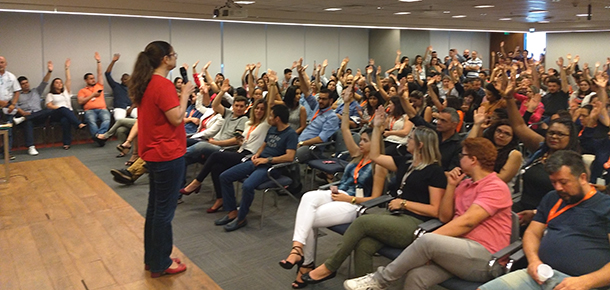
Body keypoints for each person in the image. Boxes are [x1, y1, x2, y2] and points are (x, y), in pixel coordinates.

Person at [343, 137, 513, 290]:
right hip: (458, 251)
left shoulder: (495, 186)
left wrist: (428, 244)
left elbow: (467, 222)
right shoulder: (465, 184)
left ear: (473, 160)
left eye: (463, 155)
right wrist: (452, 186)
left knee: (428, 240)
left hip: (486, 257)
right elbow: (445, 217)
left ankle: (380, 280)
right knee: (416, 277)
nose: (459, 158)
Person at [301, 106, 447, 283]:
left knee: (362, 222)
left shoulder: (435, 172)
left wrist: (403, 204)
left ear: (420, 145)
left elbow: (435, 210)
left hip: (415, 224)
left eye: (410, 138)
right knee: (363, 246)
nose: (406, 140)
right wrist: (377, 128)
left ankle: (330, 266)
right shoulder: (406, 163)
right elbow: (376, 156)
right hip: (394, 216)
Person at [279, 86, 388, 289]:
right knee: (309, 198)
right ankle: (299, 251)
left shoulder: (379, 165)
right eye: (361, 140)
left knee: (308, 219)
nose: (361, 143)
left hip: (354, 205)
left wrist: (351, 199)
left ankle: (304, 261)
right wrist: (346, 103)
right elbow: (345, 129)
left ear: (374, 143)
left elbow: (375, 199)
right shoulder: (356, 155)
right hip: (338, 193)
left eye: (365, 140)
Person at [478, 150, 610, 290]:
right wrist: (534, 261)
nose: (558, 187)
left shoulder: (605, 206)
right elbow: (533, 233)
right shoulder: (552, 198)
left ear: (582, 178)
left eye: (564, 182)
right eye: (554, 182)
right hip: (541, 276)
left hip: (584, 283)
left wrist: (586, 281)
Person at [130, 40, 194, 277]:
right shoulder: (163, 84)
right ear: (166, 59)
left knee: (155, 209)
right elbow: (177, 118)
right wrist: (185, 95)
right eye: (173, 54)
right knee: (164, 213)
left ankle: (153, 258)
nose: (175, 58)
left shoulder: (145, 83)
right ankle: (161, 263)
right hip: (168, 154)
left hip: (154, 154)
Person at [180, 71, 276, 213]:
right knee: (216, 167)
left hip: (249, 156)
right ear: (253, 109)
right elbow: (216, 106)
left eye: (262, 109)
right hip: (239, 152)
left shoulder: (265, 123)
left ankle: (196, 182)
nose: (259, 111)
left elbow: (271, 102)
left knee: (214, 156)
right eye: (257, 108)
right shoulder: (249, 123)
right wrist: (222, 91)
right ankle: (221, 199)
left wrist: (272, 84)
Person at [214, 104, 298, 232]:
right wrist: (258, 154)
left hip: (271, 167)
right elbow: (264, 146)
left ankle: (241, 218)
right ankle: (232, 212)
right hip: (258, 161)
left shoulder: (290, 134)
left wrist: (267, 160)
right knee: (225, 177)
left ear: (277, 118)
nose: (269, 118)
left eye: (271, 115)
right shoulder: (273, 129)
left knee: (247, 185)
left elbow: (290, 157)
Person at [11, 61, 53, 155]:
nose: (26, 84)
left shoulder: (36, 91)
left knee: (48, 110)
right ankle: (31, 147)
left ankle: (23, 119)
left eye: (27, 82)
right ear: (19, 86)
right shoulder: (17, 96)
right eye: (23, 83)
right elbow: (14, 106)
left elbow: (44, 82)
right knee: (28, 122)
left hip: (39, 117)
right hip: (25, 116)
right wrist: (21, 112)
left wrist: (49, 71)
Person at [44, 59, 87, 150]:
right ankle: (78, 124)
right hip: (56, 114)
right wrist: (61, 108)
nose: (59, 84)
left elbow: (69, 79)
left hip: (68, 114)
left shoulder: (65, 92)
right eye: (57, 82)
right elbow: (49, 105)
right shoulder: (50, 94)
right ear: (53, 85)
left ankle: (66, 143)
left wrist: (67, 68)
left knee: (65, 121)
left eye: (60, 82)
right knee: (64, 109)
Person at [77, 52, 111, 146]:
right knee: (91, 121)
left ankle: (98, 136)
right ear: (86, 80)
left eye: (93, 78)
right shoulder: (82, 91)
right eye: (91, 79)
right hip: (89, 110)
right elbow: (80, 101)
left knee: (107, 119)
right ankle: (100, 137)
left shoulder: (99, 86)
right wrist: (92, 95)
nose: (93, 80)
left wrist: (98, 61)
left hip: (102, 109)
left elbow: (99, 73)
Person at [0, 55, 21, 158]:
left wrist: (13, 104)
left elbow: (17, 91)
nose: (0, 64)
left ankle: (7, 153)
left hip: (7, 107)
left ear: (6, 64)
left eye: (2, 62)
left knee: (8, 131)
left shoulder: (11, 77)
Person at [105, 53, 135, 120]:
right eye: (124, 79)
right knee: (119, 119)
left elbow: (138, 100)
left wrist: (131, 108)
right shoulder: (116, 86)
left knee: (141, 117)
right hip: (120, 108)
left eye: (127, 79)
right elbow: (107, 74)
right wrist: (113, 62)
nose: (125, 81)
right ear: (121, 79)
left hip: (131, 107)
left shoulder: (133, 88)